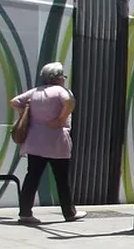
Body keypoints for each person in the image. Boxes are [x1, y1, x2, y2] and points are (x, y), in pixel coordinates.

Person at [10, 62, 86, 225]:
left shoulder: (35, 92)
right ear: (58, 77)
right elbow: (70, 102)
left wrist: (26, 114)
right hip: (56, 141)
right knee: (61, 178)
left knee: (32, 177)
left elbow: (15, 101)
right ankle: (69, 212)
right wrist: (60, 119)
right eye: (63, 76)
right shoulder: (61, 91)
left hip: (35, 141)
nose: (64, 79)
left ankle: (25, 213)